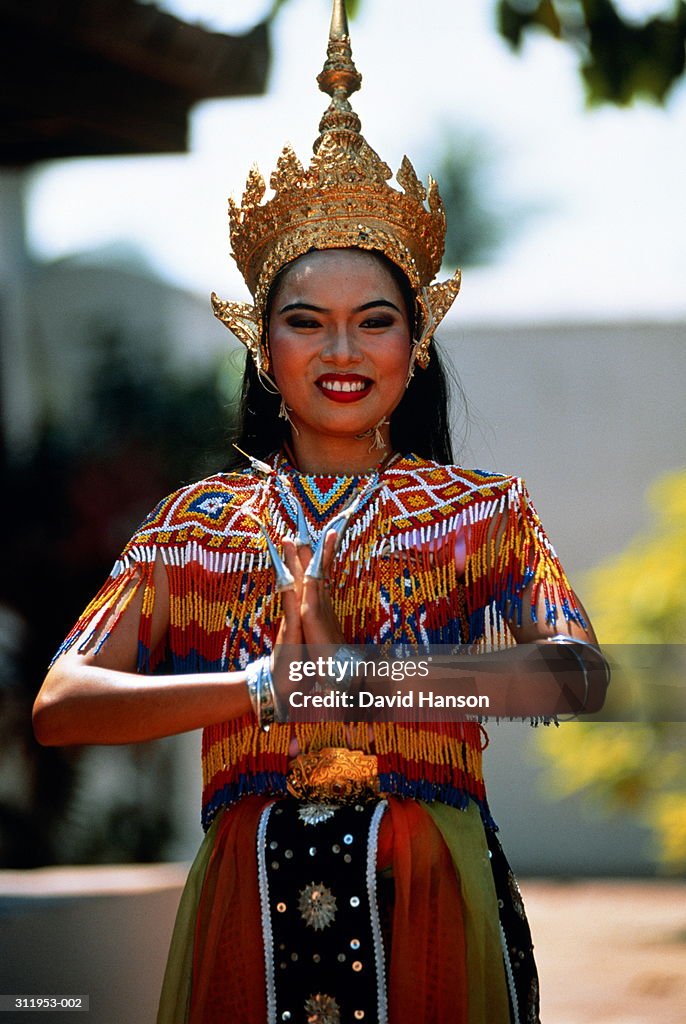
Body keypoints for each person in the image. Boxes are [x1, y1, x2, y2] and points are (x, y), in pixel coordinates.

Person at [33, 3, 609, 1022]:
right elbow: (65, 701)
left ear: (415, 343)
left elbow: (575, 669)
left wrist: (375, 678)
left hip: (426, 890)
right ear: (261, 347)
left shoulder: (484, 512)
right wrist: (260, 686)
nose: (340, 352)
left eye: (372, 322)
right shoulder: (191, 526)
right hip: (242, 912)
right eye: (305, 322)